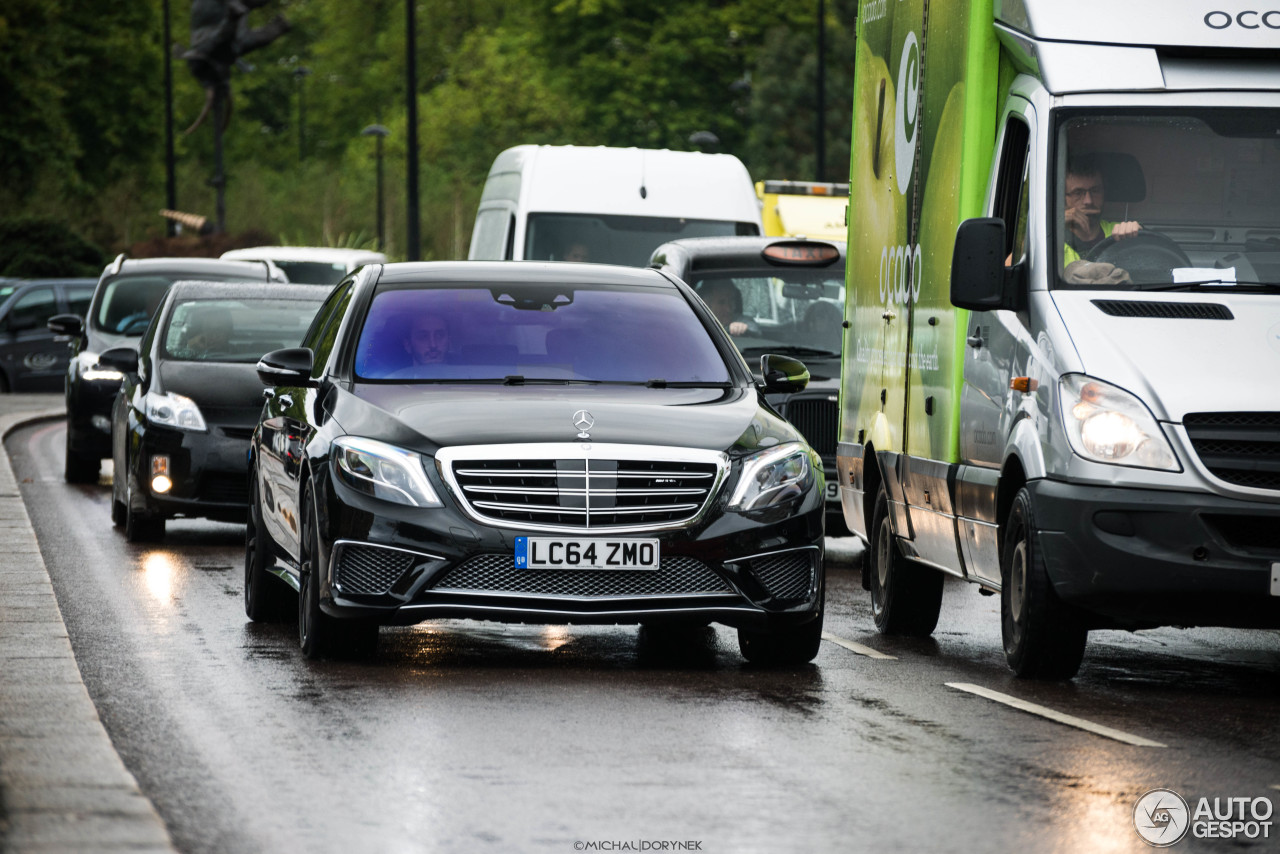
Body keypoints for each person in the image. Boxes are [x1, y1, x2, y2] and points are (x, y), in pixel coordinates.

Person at [1063, 153, 1142, 265]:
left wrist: (1139, 233)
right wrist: (1056, 224)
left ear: (1104, 193)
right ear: (1064, 198)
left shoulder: (1120, 232)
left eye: (1095, 191)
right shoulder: (1051, 238)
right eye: (1078, 193)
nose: (1088, 201)